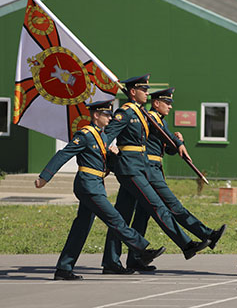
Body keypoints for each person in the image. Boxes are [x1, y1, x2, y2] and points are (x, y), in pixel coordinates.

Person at [34, 100, 165, 280]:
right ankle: (142, 249)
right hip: (87, 185)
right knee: (115, 218)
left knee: (81, 227)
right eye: (106, 115)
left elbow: (104, 163)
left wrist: (114, 156)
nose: (110, 118)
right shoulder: (85, 135)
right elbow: (64, 153)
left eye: (111, 115)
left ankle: (64, 268)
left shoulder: (102, 137)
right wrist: (45, 177)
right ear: (96, 115)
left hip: (96, 184)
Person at [101, 75, 210, 274]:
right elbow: (106, 135)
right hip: (129, 168)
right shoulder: (125, 113)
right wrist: (109, 152)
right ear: (133, 92)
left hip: (138, 167)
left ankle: (111, 261)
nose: (147, 93)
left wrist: (178, 143)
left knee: (121, 218)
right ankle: (186, 245)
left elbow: (161, 135)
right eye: (144, 89)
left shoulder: (142, 113)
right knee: (157, 206)